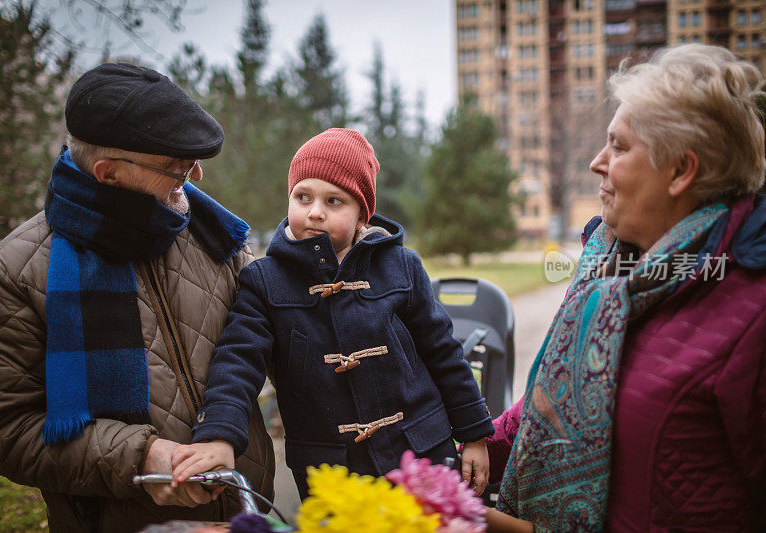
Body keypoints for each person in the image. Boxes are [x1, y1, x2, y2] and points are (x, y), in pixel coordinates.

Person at [0, 63, 275, 532]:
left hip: (243, 513)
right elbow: (6, 431)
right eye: (174, 165)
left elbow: (265, 337)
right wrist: (140, 457)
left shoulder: (218, 239)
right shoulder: (14, 272)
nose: (193, 176)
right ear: (108, 173)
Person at [486, 44, 766, 531]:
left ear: (681, 170)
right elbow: (553, 401)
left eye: (619, 146)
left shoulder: (751, 312)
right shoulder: (613, 270)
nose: (598, 162)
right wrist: (456, 451)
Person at [168, 128, 495, 499]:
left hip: (420, 452)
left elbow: (443, 351)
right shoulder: (264, 280)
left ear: (361, 216)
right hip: (331, 470)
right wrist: (219, 434)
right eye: (302, 196)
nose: (315, 211)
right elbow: (238, 360)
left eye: (334, 201)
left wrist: (473, 435)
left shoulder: (401, 266)